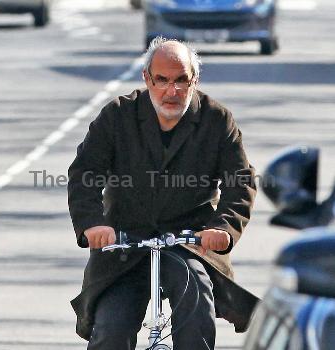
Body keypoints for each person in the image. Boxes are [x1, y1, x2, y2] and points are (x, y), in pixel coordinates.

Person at [68, 37, 257, 350]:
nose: (173, 91)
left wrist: (223, 229)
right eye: (163, 80)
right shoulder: (117, 115)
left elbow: (240, 181)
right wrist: (92, 224)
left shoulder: (216, 119)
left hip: (189, 241)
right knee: (111, 330)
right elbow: (85, 174)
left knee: (197, 308)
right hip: (124, 241)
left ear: (194, 80)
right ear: (147, 79)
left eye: (182, 80)